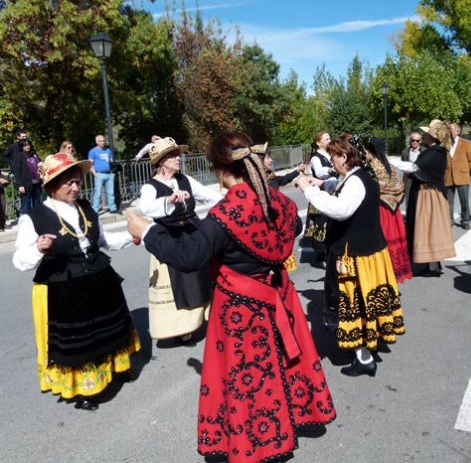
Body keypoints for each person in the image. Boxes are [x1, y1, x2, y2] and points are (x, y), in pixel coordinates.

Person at [127, 132, 336, 462]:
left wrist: (147, 231)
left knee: (249, 376)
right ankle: (292, 417)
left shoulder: (223, 216)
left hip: (241, 308)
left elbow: (187, 257)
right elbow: (294, 228)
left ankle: (259, 440)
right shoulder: (278, 202)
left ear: (221, 170)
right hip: (279, 295)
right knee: (281, 361)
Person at [13, 152, 141, 410]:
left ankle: (118, 367)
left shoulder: (86, 208)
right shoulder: (34, 217)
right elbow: (20, 261)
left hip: (100, 278)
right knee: (81, 341)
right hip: (65, 288)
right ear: (51, 186)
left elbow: (104, 240)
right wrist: (38, 248)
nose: (75, 187)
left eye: (77, 182)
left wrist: (132, 235)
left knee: (112, 327)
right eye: (68, 182)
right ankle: (84, 389)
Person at [295, 135, 405, 377]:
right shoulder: (359, 176)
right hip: (366, 252)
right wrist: (321, 183)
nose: (332, 161)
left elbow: (341, 209)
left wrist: (308, 190)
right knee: (365, 304)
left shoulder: (355, 182)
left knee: (353, 305)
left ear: (344, 157)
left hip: (355, 256)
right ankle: (367, 347)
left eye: (334, 156)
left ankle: (364, 358)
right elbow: (340, 186)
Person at [139, 137, 221, 344]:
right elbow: (146, 209)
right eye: (173, 155)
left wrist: (233, 203)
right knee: (181, 283)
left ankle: (208, 315)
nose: (178, 158)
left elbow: (208, 196)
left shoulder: (185, 180)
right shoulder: (150, 187)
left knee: (204, 274)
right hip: (171, 237)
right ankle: (183, 327)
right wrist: (169, 200)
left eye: (178, 154)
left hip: (193, 230)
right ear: (161, 161)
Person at [393, 119, 457, 277]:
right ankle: (432, 265)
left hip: (429, 194)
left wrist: (389, 161)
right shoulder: (435, 151)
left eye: (427, 133)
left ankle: (433, 266)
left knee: (428, 229)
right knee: (428, 229)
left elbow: (413, 167)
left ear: (434, 136)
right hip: (429, 193)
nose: (424, 136)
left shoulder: (434, 152)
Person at [365, 136, 412, 283]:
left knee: (382, 240)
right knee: (393, 239)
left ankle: (382, 273)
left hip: (380, 208)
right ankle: (395, 271)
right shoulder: (387, 163)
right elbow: (398, 185)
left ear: (369, 151)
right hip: (393, 208)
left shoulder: (372, 166)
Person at [302, 130, 336, 268]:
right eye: (326, 139)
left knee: (330, 224)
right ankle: (321, 257)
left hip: (331, 193)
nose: (329, 140)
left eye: (329, 138)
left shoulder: (330, 154)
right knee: (321, 224)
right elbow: (320, 172)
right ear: (318, 143)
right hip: (321, 194)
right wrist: (330, 170)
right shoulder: (316, 158)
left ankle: (329, 254)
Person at [444, 123, 471, 229]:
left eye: (451, 129)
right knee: (449, 202)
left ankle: (465, 220)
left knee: (464, 201)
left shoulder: (466, 143)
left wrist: (464, 170)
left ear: (457, 131)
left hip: (462, 176)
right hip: (448, 176)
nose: (450, 131)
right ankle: (450, 220)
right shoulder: (444, 144)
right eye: (448, 129)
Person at [88, 135, 117, 214]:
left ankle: (112, 208)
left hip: (109, 173)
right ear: (97, 142)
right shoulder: (93, 151)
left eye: (103, 141)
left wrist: (113, 170)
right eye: (100, 141)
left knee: (111, 192)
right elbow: (90, 163)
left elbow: (111, 161)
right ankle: (95, 209)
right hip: (99, 174)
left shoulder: (108, 150)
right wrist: (94, 173)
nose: (102, 142)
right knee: (98, 193)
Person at [12, 139, 42, 215]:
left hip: (37, 182)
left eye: (28, 145)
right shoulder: (19, 156)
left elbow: (40, 165)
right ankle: (27, 220)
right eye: (25, 145)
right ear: (21, 147)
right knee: (26, 204)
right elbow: (17, 171)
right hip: (26, 184)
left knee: (37, 202)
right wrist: (20, 185)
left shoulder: (34, 154)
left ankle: (37, 219)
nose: (27, 147)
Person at [401, 131, 424, 200]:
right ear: (410, 140)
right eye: (413, 140)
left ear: (420, 141)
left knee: (420, 200)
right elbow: (402, 165)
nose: (415, 142)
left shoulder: (425, 151)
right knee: (409, 199)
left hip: (420, 179)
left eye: (417, 141)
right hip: (409, 179)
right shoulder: (405, 152)